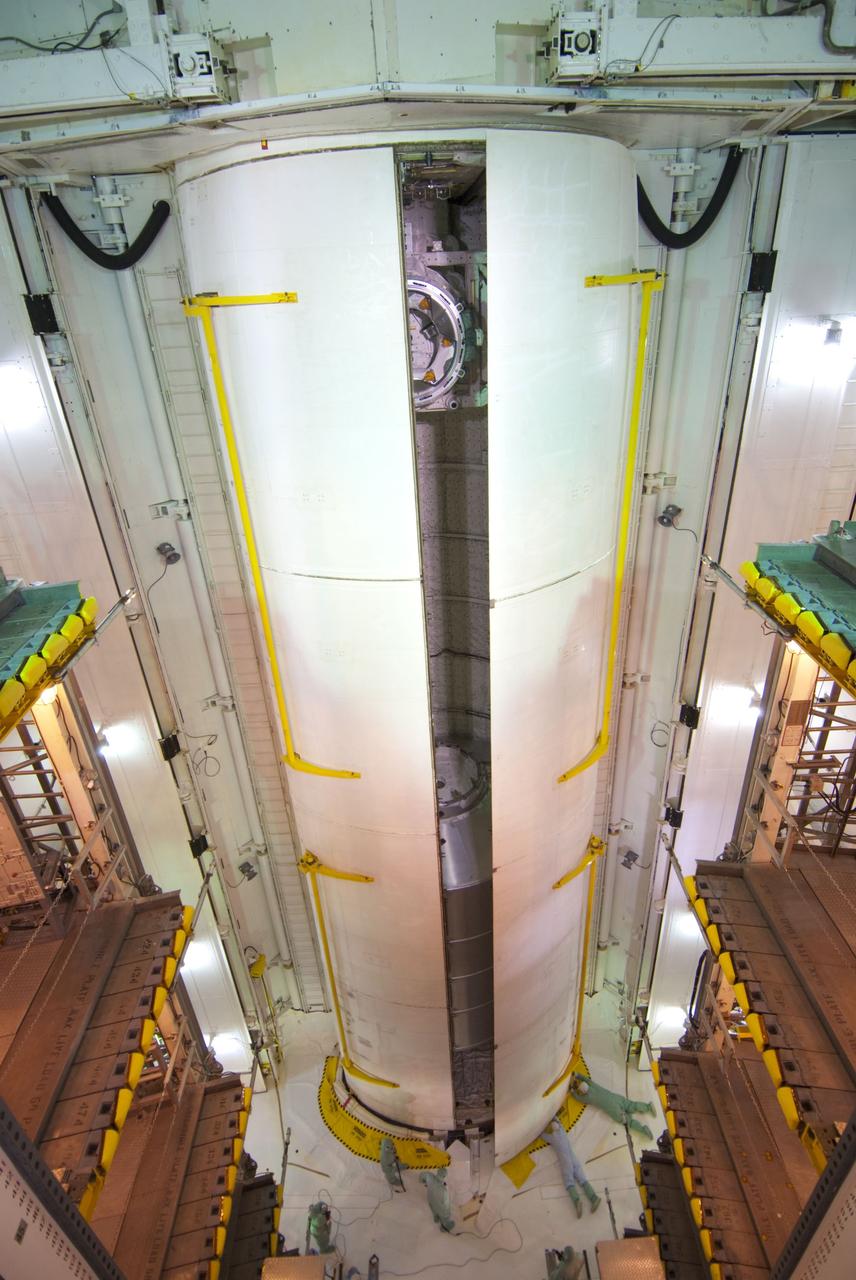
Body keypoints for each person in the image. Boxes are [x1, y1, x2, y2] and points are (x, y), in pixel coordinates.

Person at [541, 1119, 601, 1217]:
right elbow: (559, 1122)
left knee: (569, 1182)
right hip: (574, 1159)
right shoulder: (563, 1131)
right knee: (582, 1180)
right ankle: (594, 1198)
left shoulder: (553, 1138)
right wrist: (555, 1117)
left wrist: (540, 1128)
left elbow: (543, 1136)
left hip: (566, 1162)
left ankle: (577, 1202)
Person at [570, 1072, 655, 1139]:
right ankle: (648, 1107)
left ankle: (643, 1130)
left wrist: (572, 1092)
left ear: (582, 1092)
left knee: (629, 1121)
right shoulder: (592, 1085)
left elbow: (579, 1098)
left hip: (614, 1110)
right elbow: (586, 1079)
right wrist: (577, 1074)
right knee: (631, 1105)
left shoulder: (588, 1097)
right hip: (617, 1098)